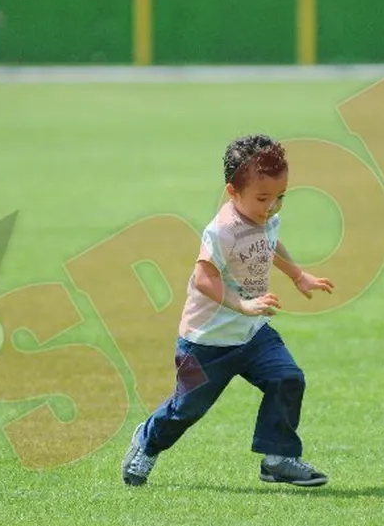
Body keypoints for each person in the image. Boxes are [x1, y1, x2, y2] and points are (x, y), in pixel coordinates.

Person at [122, 133, 335, 487]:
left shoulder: (266, 216)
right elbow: (203, 277)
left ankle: (278, 458)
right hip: (206, 343)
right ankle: (147, 440)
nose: (272, 207)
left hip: (252, 335)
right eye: (263, 198)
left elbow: (270, 244)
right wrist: (242, 304)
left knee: (287, 378)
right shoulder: (222, 231)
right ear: (233, 192)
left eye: (281, 197)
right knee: (186, 409)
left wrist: (298, 275)